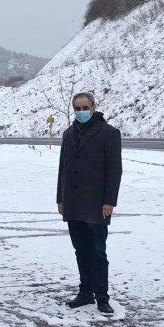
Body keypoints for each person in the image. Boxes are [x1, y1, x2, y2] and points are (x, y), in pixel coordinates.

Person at [57, 92, 122, 314]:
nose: (81, 111)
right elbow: (62, 169)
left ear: (94, 107)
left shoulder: (109, 134)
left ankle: (102, 296)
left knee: (97, 251)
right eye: (78, 108)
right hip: (73, 202)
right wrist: (60, 198)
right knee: (80, 250)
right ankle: (85, 292)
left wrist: (109, 201)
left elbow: (115, 171)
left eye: (85, 107)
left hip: (96, 204)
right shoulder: (68, 134)